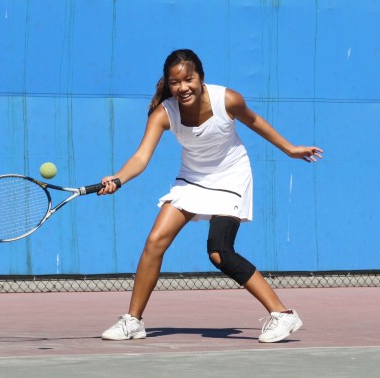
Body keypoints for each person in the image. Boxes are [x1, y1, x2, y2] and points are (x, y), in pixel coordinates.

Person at [98, 49, 323, 343]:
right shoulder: (164, 113)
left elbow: (254, 121)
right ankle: (133, 322)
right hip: (192, 179)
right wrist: (118, 178)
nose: (183, 88)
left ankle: (283, 314)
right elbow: (141, 157)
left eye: (188, 79)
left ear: (201, 78)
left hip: (231, 177)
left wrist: (290, 149)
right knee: (155, 242)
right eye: (175, 82)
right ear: (168, 84)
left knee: (219, 252)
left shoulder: (227, 99)